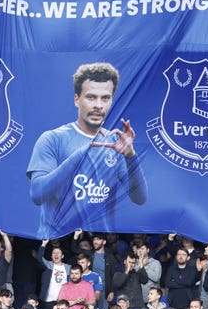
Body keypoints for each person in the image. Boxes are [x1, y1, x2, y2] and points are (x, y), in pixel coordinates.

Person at [27, 63, 147, 237]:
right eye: (91, 97)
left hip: (99, 246)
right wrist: (80, 155)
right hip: (59, 245)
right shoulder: (52, 139)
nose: (99, 105)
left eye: (105, 98)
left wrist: (130, 155)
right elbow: (37, 194)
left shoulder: (114, 143)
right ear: (77, 99)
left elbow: (140, 198)